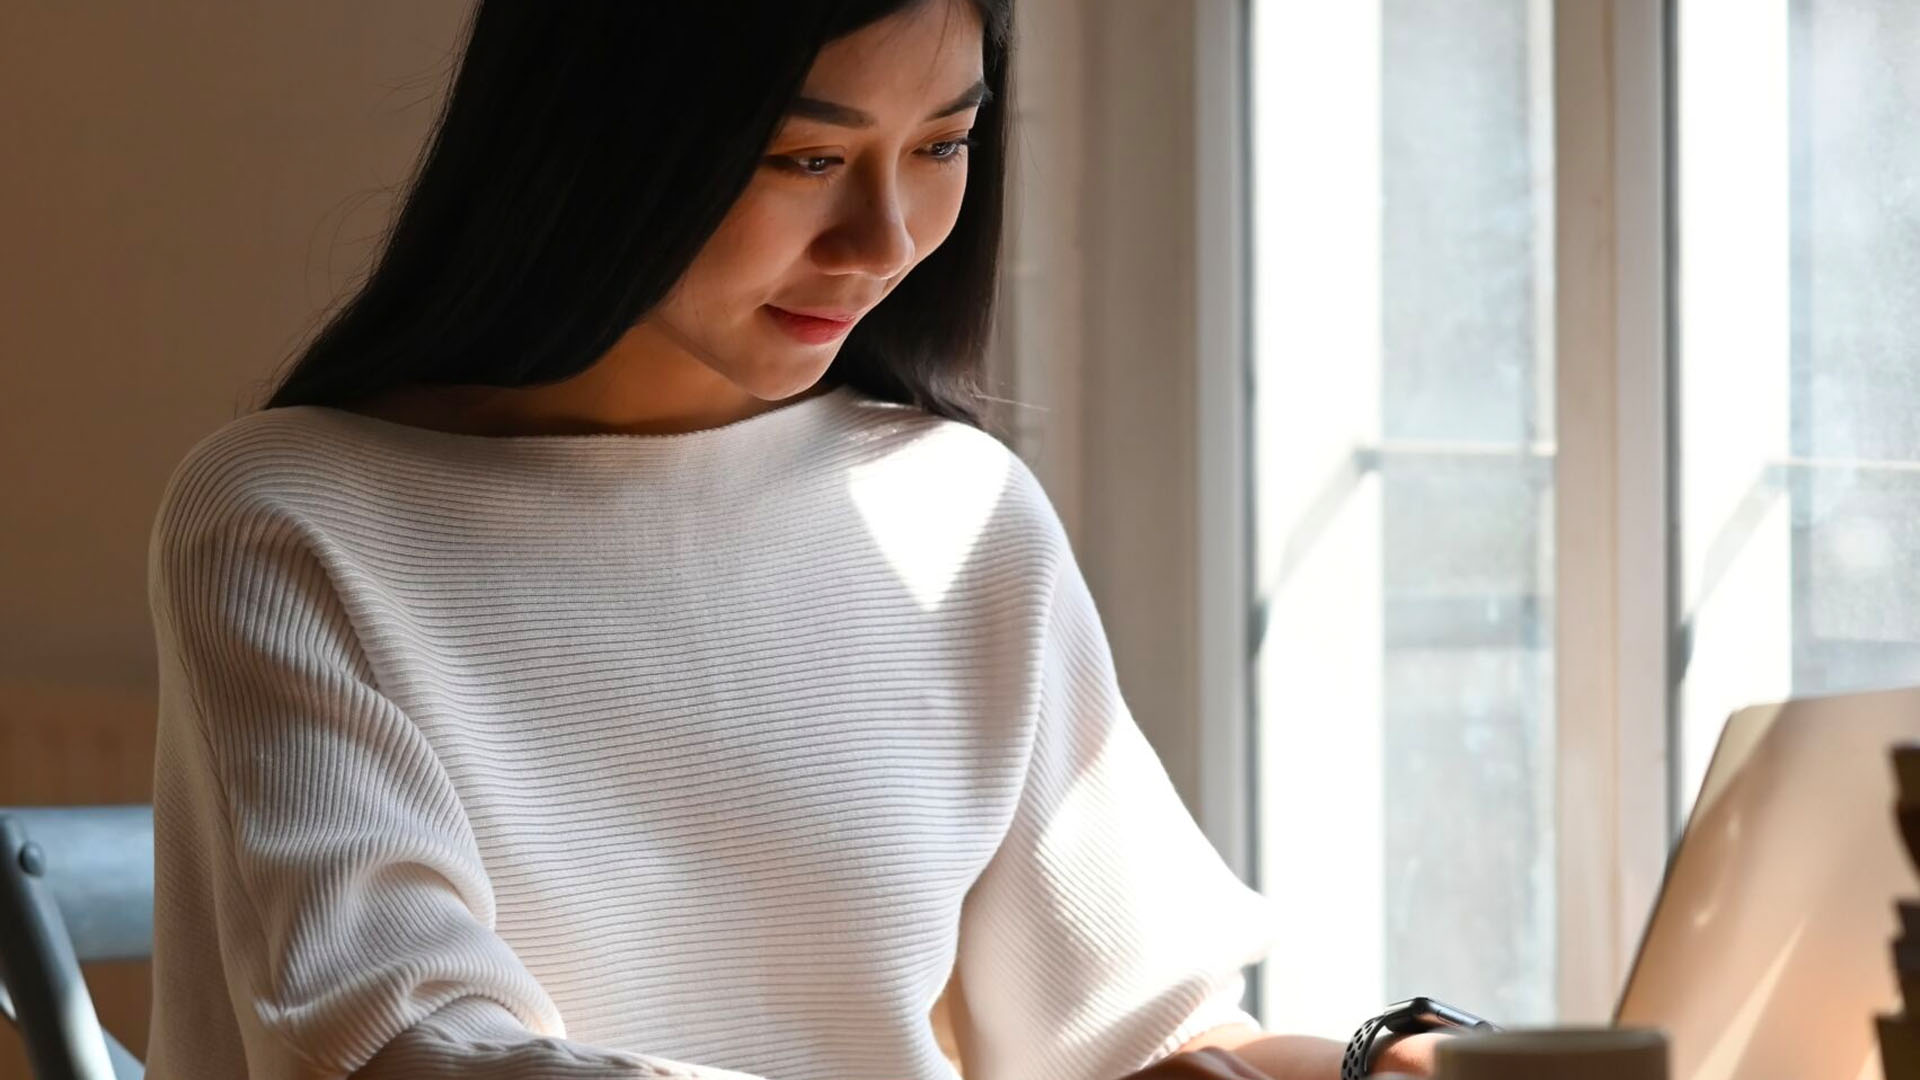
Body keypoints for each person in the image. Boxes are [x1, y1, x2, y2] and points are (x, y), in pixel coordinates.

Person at [143, 2, 1443, 1078]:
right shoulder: (288, 518)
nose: (889, 239)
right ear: (600, 137)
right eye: (807, 159)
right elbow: (406, 1048)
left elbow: (1140, 1038)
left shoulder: (952, 515)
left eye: (942, 144)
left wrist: (1389, 1065)